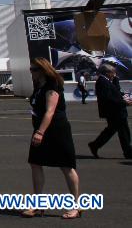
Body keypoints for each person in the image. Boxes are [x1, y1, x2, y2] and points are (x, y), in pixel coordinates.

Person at [23, 58, 81, 219]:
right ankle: (37, 203)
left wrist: (40, 132)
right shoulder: (38, 87)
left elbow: (50, 111)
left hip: (56, 130)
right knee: (35, 163)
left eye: (33, 70)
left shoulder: (52, 86)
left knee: (66, 166)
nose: (31, 72)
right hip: (40, 128)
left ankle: (76, 206)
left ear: (42, 70)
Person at [88, 63, 132, 159]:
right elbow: (108, 98)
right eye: (113, 73)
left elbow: (116, 91)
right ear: (107, 73)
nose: (114, 74)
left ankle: (95, 145)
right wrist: (124, 103)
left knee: (113, 130)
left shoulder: (108, 81)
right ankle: (128, 152)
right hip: (113, 111)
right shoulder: (102, 82)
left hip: (116, 111)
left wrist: (115, 80)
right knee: (123, 131)